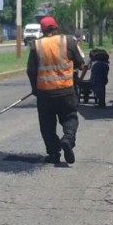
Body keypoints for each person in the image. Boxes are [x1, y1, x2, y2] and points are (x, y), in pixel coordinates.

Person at [26, 16, 86, 164]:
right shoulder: (68, 41)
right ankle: (68, 139)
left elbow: (31, 70)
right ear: (56, 27)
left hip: (45, 93)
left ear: (42, 30)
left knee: (47, 124)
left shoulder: (36, 45)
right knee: (70, 117)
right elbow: (80, 62)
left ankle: (53, 154)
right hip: (66, 90)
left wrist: (35, 88)